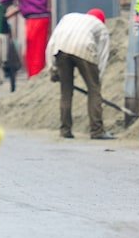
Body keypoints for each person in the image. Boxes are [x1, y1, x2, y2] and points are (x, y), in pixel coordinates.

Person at [45, 8, 114, 140]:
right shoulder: (101, 27)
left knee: (66, 92)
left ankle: (65, 130)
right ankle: (97, 131)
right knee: (93, 91)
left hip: (61, 49)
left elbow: (51, 43)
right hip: (84, 47)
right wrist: (97, 80)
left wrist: (52, 69)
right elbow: (102, 56)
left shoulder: (68, 17)